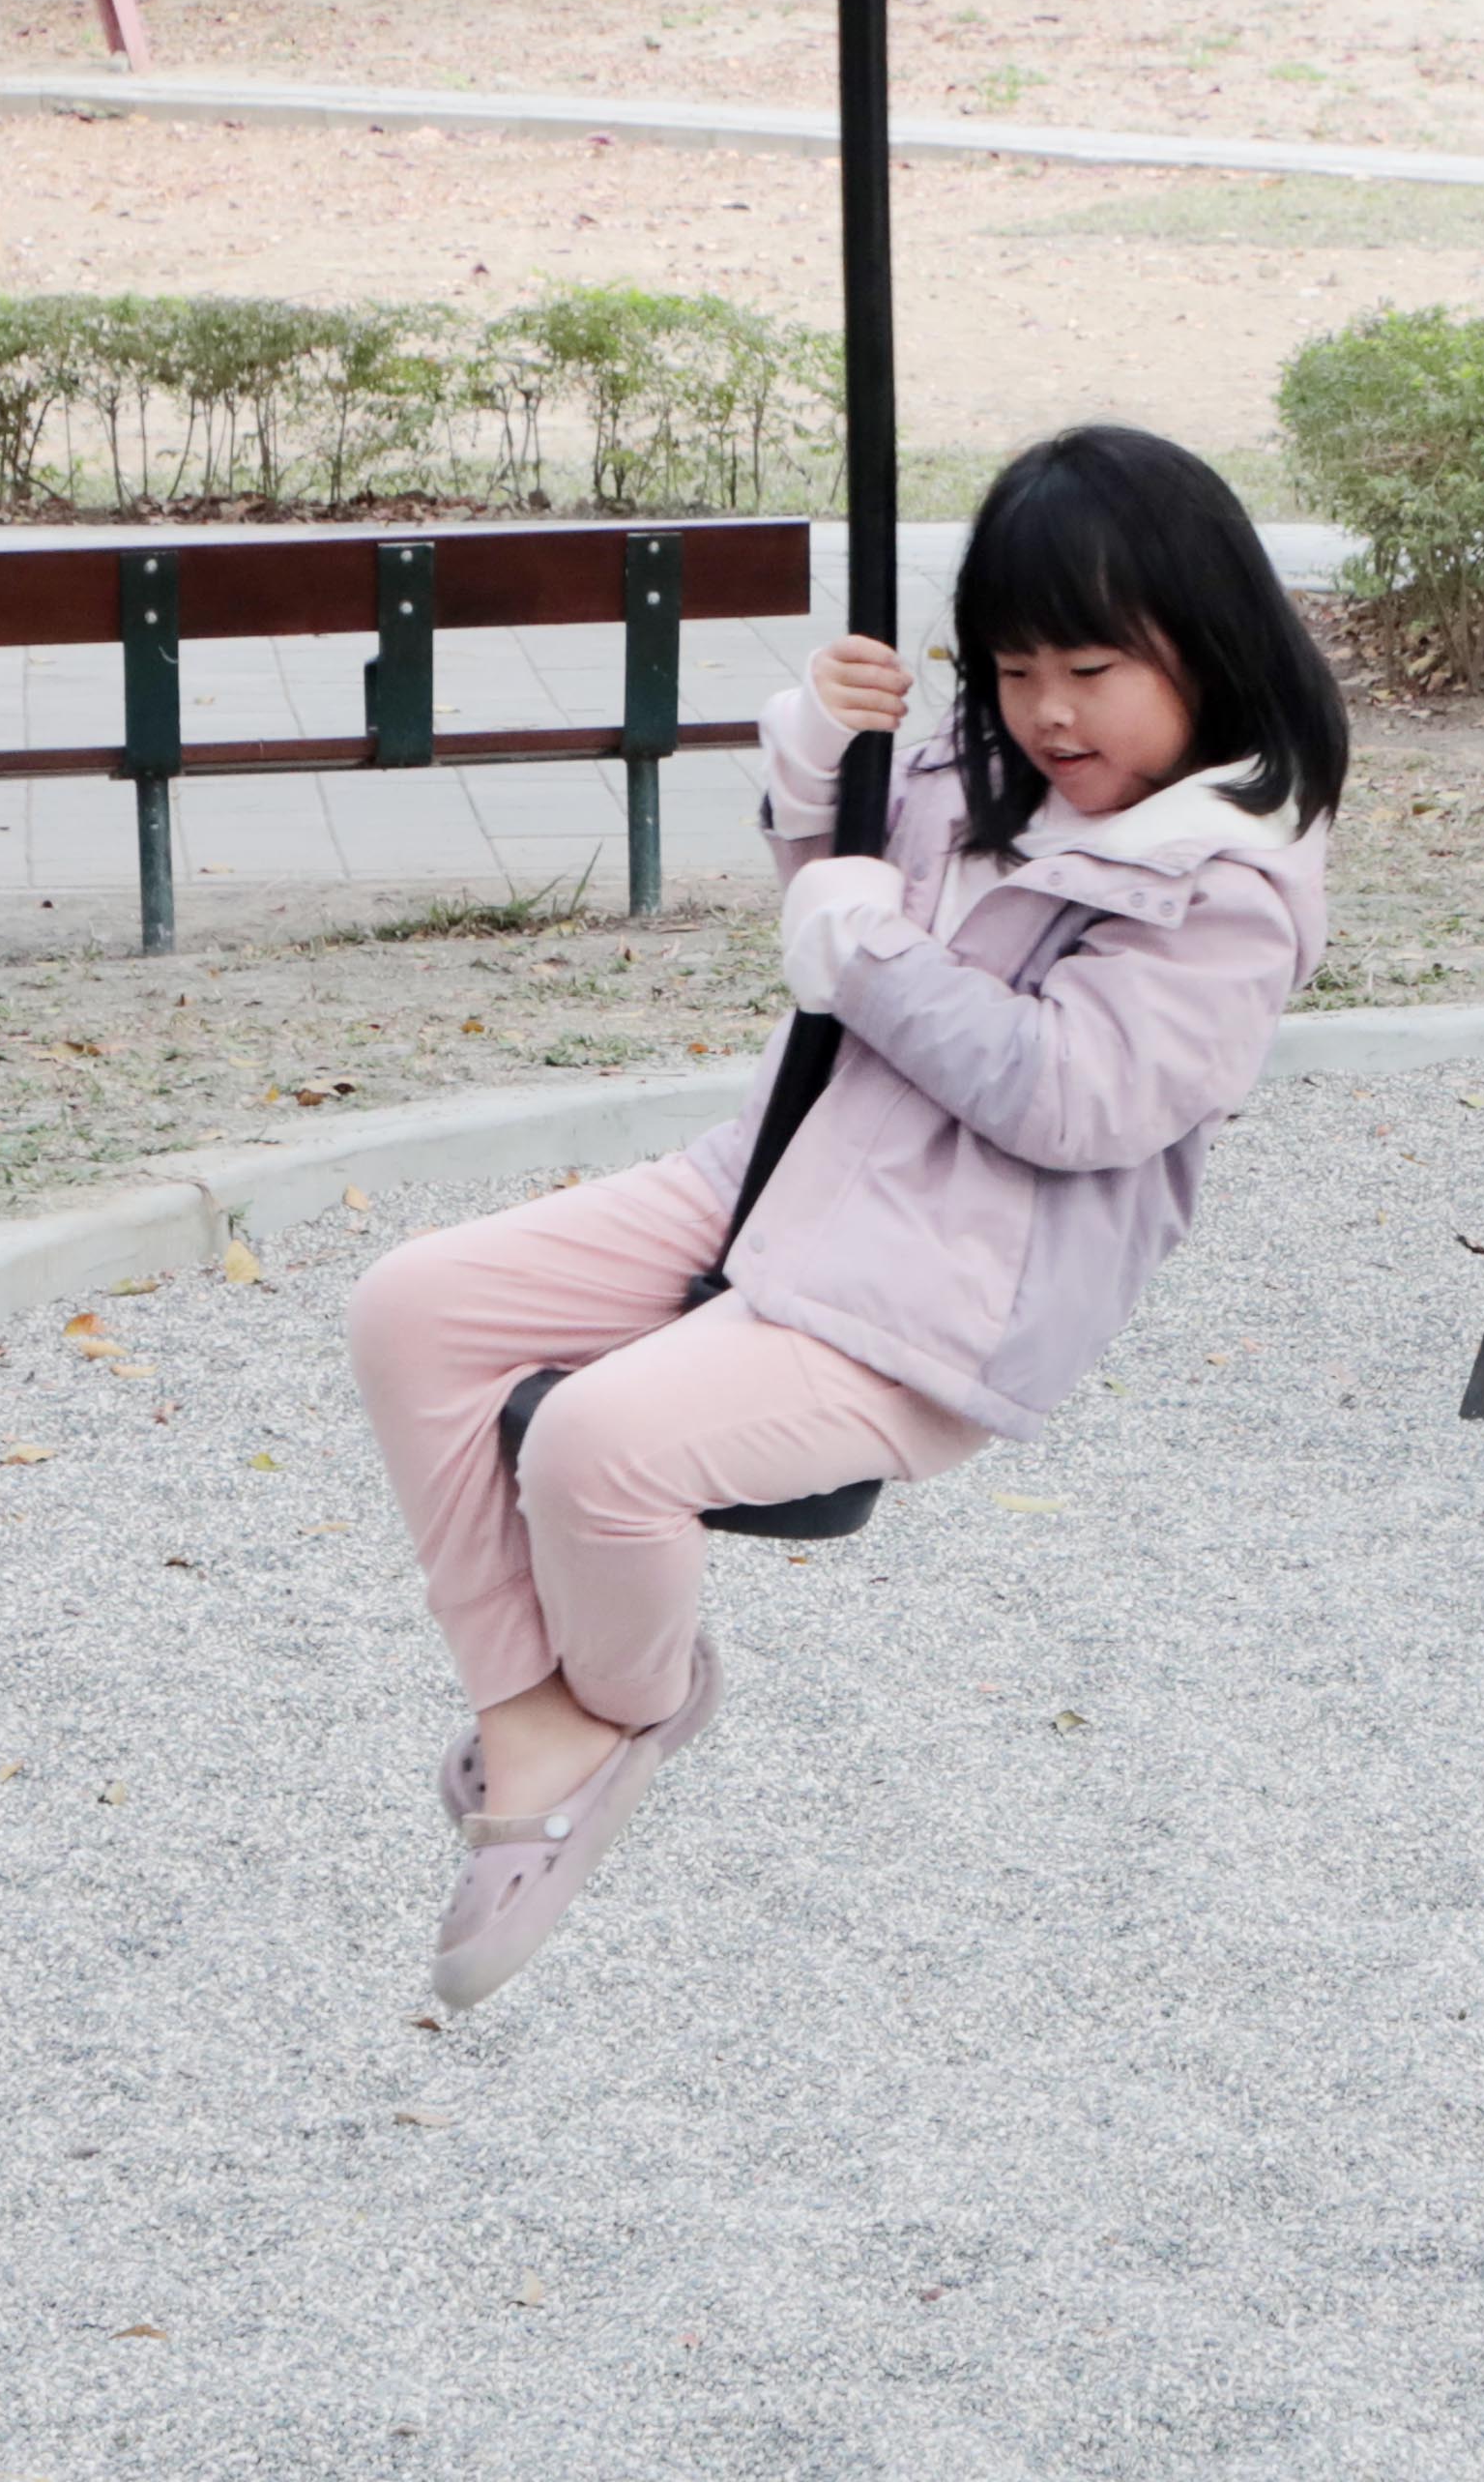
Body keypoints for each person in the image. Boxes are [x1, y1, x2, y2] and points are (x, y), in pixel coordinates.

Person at [341, 423, 1345, 1998]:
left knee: (602, 1446)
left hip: (937, 1284)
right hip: (775, 1171)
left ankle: (625, 1710)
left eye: (1092, 666)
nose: (1049, 710)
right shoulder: (988, 755)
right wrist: (817, 766)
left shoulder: (1228, 890)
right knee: (416, 1308)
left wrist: (870, 948)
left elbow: (1073, 1095)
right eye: (1016, 667)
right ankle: (530, 1707)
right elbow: (836, 886)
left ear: (1209, 650)